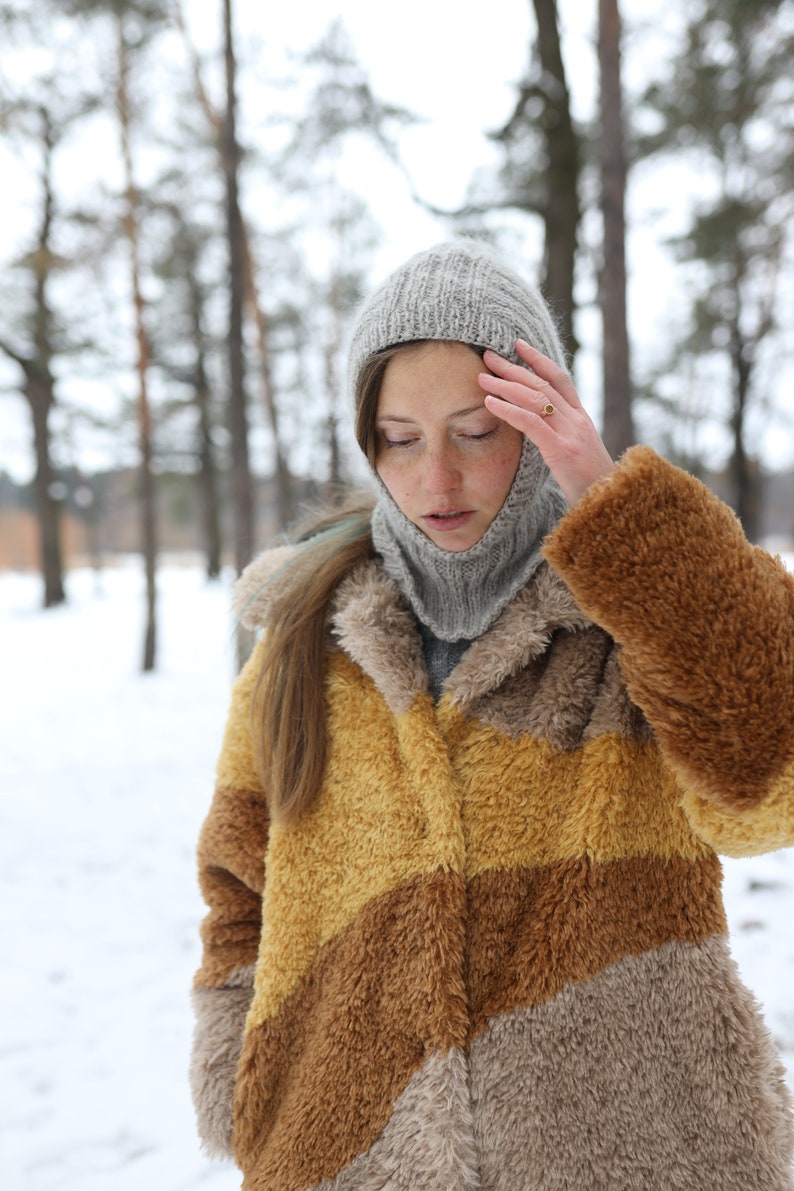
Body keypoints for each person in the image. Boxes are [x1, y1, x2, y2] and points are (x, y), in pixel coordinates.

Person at [189, 239, 794, 1190]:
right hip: (348, 1154)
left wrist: (613, 502)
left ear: (540, 415)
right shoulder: (305, 635)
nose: (438, 481)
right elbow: (238, 885)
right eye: (400, 437)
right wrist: (251, 1079)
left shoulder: (631, 607)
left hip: (641, 1151)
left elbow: (771, 790)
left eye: (476, 431)